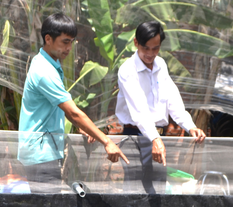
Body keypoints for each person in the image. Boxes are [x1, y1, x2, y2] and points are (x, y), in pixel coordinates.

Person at [18, 13, 128, 193]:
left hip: (44, 150)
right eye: (65, 42)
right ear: (48, 39)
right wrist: (107, 141)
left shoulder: (51, 63)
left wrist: (80, 127)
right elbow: (74, 113)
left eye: (71, 42)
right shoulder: (44, 71)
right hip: (40, 153)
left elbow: (56, 107)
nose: (69, 48)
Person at [115, 20, 206, 194]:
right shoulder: (127, 70)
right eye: (146, 48)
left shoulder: (161, 65)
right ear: (136, 43)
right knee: (134, 195)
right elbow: (139, 111)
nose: (150, 54)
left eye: (155, 48)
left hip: (159, 138)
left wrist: (190, 126)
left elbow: (172, 98)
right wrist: (155, 139)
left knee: (158, 193)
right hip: (136, 137)